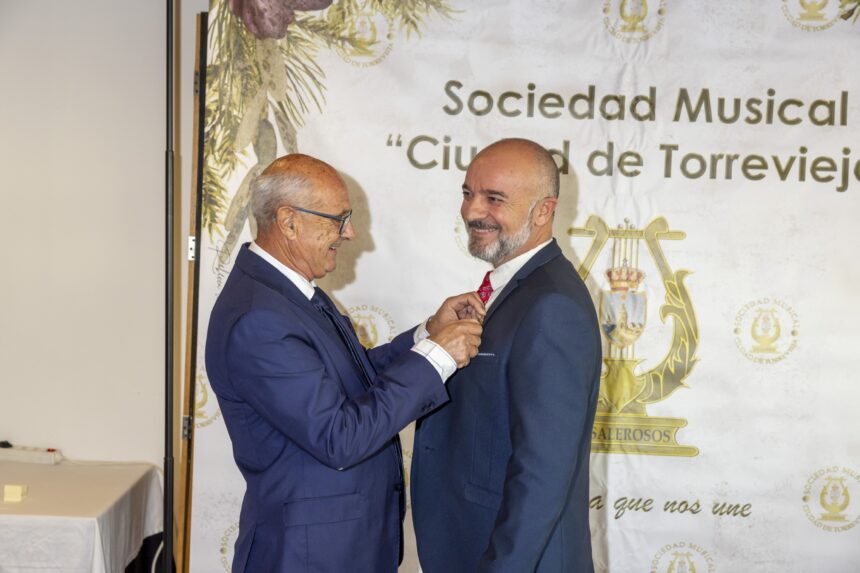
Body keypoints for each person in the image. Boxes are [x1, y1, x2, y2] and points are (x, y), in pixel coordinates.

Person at [205, 153, 484, 573]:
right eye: (339, 219)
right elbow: (339, 437)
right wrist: (438, 357)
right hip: (309, 558)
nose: (350, 233)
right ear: (289, 222)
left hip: (337, 549)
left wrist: (428, 334)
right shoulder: (258, 319)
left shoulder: (286, 293)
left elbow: (353, 379)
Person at [411, 138, 602, 573]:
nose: (471, 211)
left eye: (494, 199)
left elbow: (543, 472)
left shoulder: (552, 305)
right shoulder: (515, 290)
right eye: (468, 193)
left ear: (543, 211)